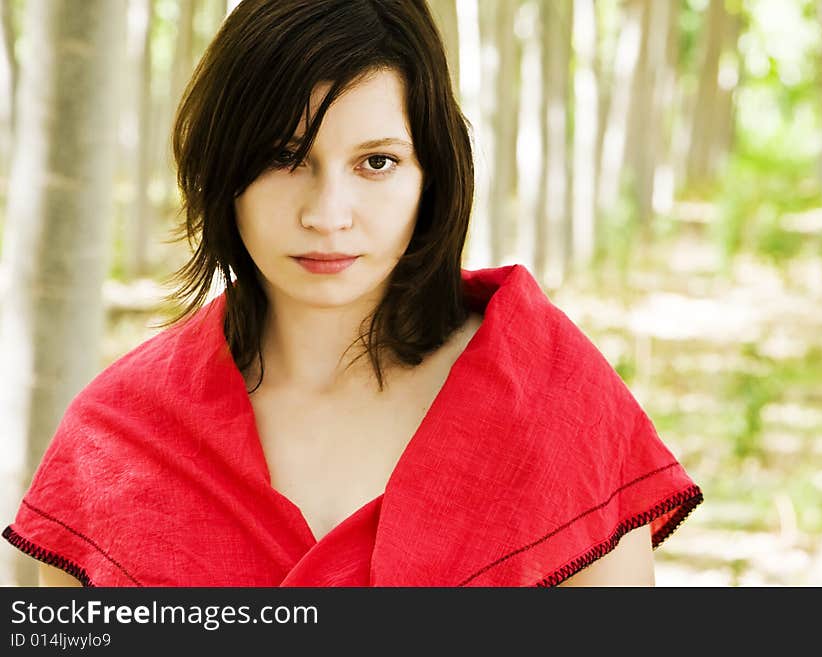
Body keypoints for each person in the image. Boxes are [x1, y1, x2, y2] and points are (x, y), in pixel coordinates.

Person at [4, 0, 702, 588]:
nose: (327, 213)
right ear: (224, 169)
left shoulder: (555, 402)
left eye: (376, 162)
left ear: (432, 172)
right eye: (285, 158)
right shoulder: (115, 441)